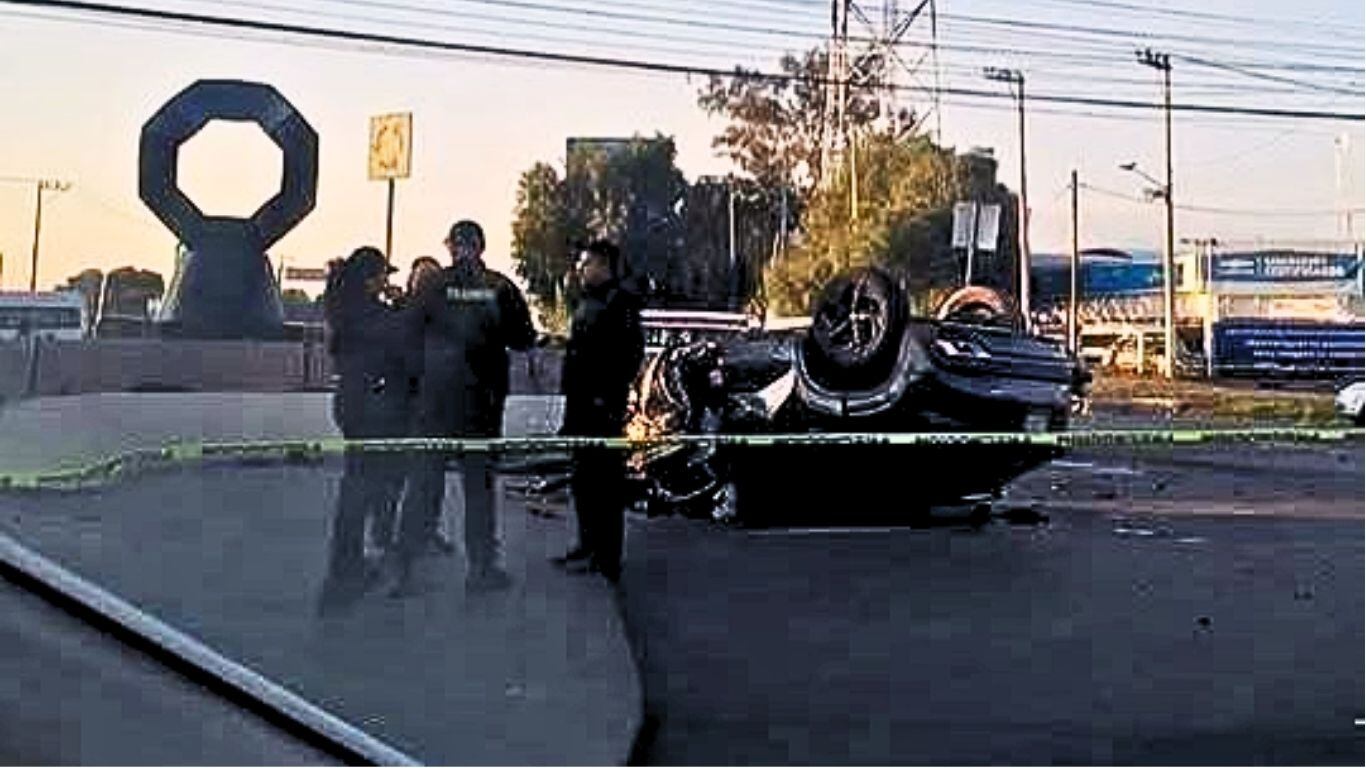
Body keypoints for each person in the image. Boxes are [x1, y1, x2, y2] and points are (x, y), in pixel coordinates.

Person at [396, 220, 537, 594]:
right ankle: (482, 570)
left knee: (423, 484)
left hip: (435, 403)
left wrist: (421, 380)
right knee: (479, 489)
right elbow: (524, 339)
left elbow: (405, 335)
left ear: (450, 247)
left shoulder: (431, 285)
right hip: (481, 406)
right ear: (482, 245)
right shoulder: (500, 286)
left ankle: (403, 569)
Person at [318, 246, 411, 612]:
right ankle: (346, 568)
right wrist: (402, 304)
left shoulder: (343, 306)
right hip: (370, 406)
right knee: (360, 487)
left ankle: (349, 559)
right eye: (382, 276)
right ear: (371, 277)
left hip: (352, 402)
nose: (386, 282)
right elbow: (397, 340)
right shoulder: (368, 312)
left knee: (358, 482)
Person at [555, 239, 645, 583]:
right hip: (580, 407)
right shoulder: (588, 302)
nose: (580, 269)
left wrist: (605, 399)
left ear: (604, 266)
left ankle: (607, 558)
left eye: (586, 263)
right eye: (580, 263)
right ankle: (586, 545)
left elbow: (627, 357)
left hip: (602, 409)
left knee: (604, 486)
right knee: (583, 482)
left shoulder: (618, 303)